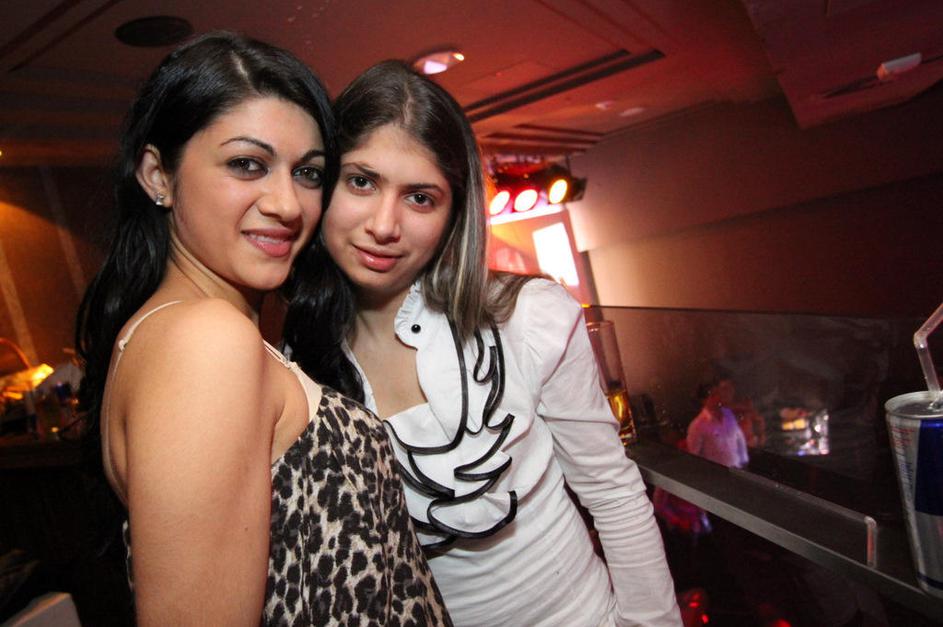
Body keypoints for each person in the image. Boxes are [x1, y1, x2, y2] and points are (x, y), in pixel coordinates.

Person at [284, 60, 680, 626]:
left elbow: (613, 492)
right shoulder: (294, 365)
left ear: (454, 214)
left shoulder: (528, 316)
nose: (384, 225)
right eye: (362, 181)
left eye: (420, 197)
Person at [75, 34, 448, 625]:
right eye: (247, 164)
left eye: (308, 173)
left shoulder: (175, 328)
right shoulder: (205, 341)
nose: (287, 204)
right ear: (157, 175)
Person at [686, 379, 749, 468]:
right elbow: (694, 457)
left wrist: (744, 461)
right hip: (717, 473)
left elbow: (739, 437)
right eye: (713, 395)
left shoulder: (728, 414)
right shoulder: (697, 425)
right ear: (704, 400)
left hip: (738, 470)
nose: (718, 397)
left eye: (718, 393)